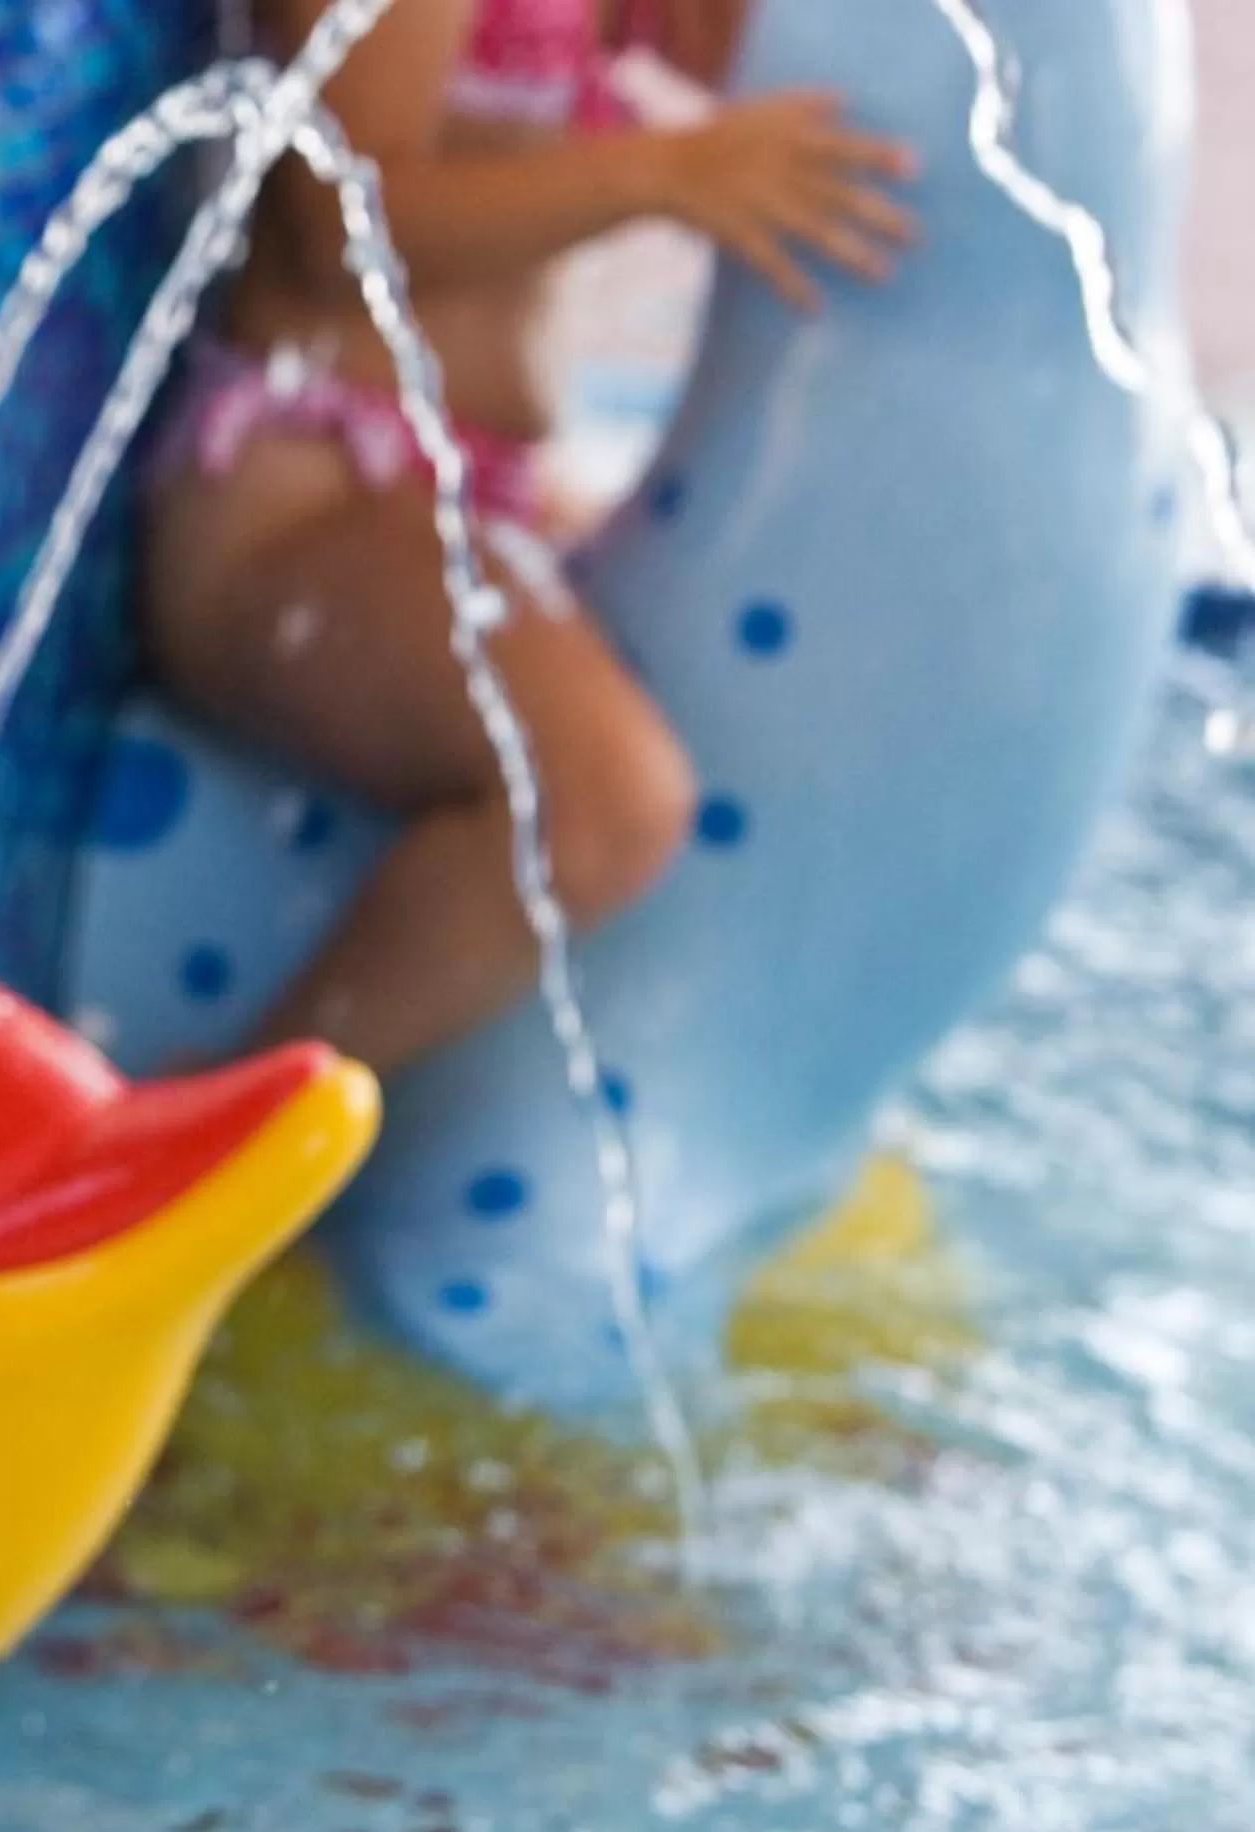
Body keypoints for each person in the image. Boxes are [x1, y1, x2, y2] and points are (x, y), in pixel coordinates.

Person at [141, 0, 918, 1073]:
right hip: (298, 495)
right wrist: (666, 173)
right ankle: (219, 1136)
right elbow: (341, 229)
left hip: (455, 498)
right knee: (603, 801)